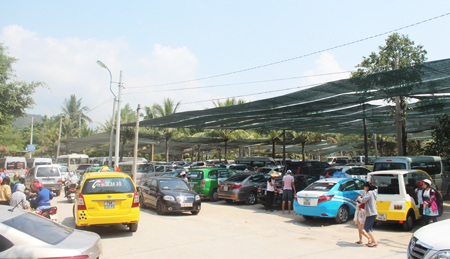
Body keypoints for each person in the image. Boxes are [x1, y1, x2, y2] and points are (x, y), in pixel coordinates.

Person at [357, 182, 378, 247]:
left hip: (370, 213)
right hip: (373, 213)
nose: (364, 188)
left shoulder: (370, 193)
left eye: (365, 186)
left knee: (366, 227)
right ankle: (372, 240)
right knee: (369, 228)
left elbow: (363, 200)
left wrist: (358, 199)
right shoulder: (373, 193)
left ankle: (374, 241)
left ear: (368, 187)